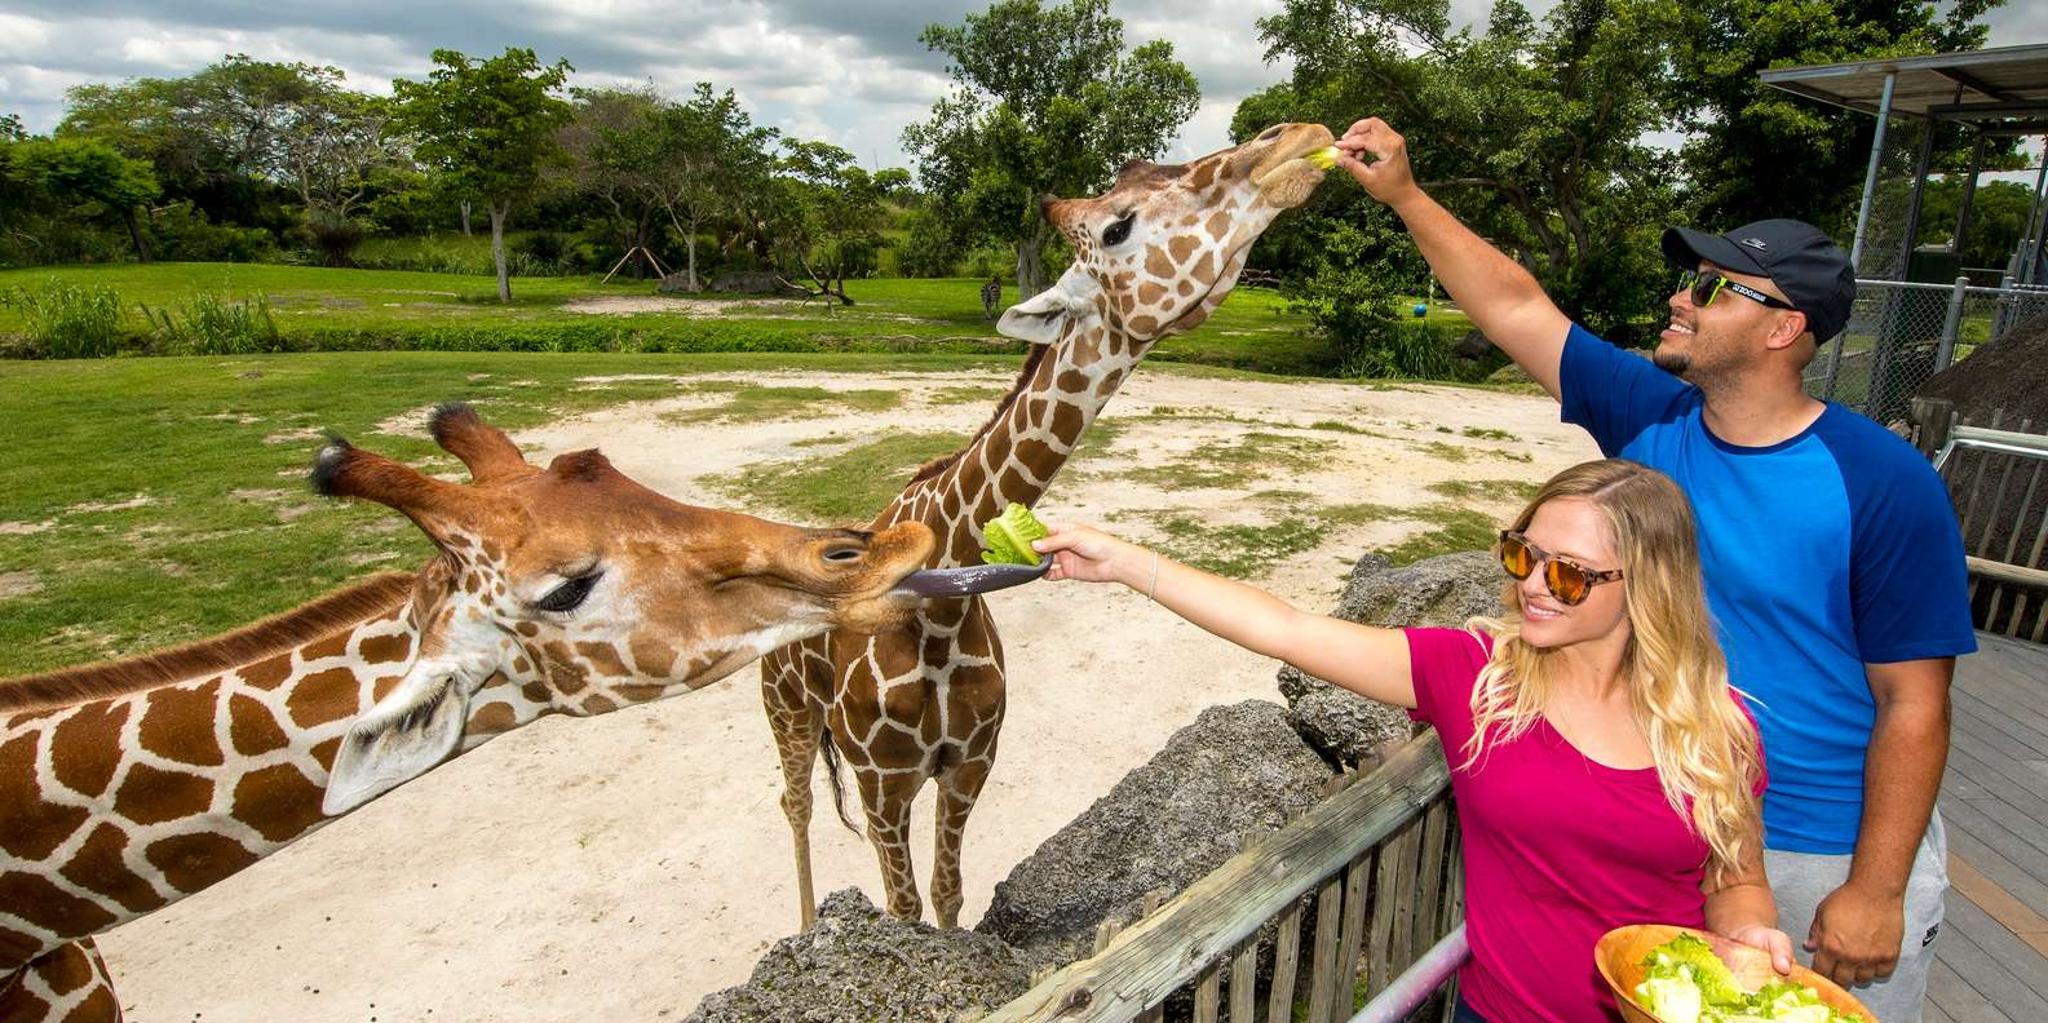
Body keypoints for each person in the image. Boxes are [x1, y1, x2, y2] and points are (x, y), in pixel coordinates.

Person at [1327, 118, 1975, 1021]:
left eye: (1715, 286)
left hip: (1813, 850)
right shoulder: (1650, 418)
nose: (1683, 296)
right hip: (1662, 826)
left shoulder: (1882, 481)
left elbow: (1917, 700)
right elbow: (1516, 307)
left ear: (1784, 327)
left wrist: (1876, 884)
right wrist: (1403, 194)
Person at [1035, 459, 1792, 1023]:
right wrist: (1131, 565)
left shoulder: (1715, 727)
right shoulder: (1475, 680)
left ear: (1647, 586)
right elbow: (1287, 627)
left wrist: (1752, 933)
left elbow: (1735, 881)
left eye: (1569, 576)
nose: (1532, 584)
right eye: (1523, 553)